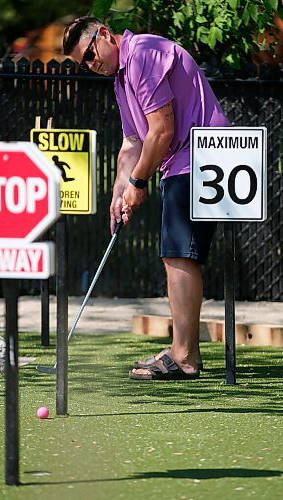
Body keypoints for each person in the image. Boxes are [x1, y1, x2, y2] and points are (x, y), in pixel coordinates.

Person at [63, 16, 230, 381]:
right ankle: (184, 350)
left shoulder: (142, 54)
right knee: (174, 253)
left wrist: (138, 182)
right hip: (183, 160)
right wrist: (119, 189)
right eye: (84, 64)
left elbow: (162, 130)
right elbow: (132, 142)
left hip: (203, 155)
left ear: (104, 34)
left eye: (90, 55)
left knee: (178, 253)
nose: (91, 65)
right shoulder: (121, 79)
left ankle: (184, 357)